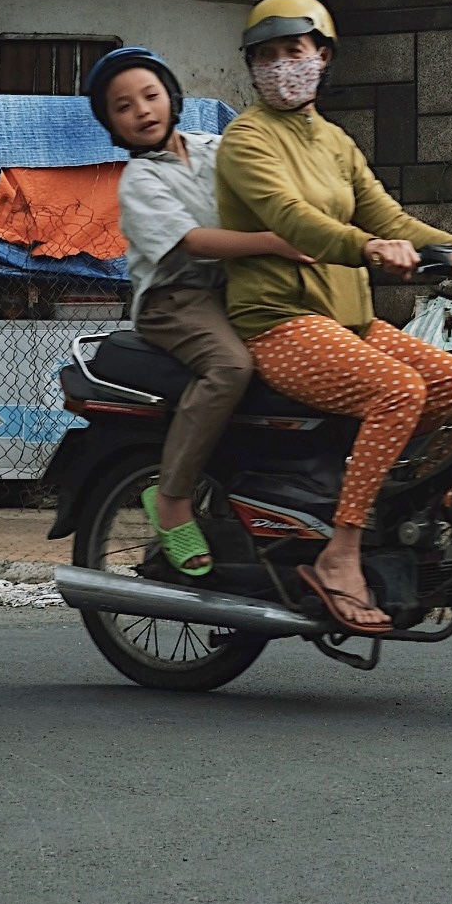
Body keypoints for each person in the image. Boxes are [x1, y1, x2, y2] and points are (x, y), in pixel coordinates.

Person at [215, 0, 452, 634]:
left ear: (323, 57)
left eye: (296, 51)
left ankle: (402, 522)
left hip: (348, 323)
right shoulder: (245, 140)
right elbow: (292, 219)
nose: (284, 65)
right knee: (398, 391)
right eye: (269, 55)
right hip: (281, 322)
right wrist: (366, 248)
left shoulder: (335, 142)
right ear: (253, 66)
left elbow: (388, 217)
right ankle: (341, 554)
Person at [86, 43, 314, 580]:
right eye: (124, 106)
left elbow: (270, 176)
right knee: (230, 367)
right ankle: (171, 499)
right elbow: (192, 241)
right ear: (113, 125)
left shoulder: (216, 148)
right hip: (175, 300)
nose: (142, 110)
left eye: (150, 95)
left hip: (234, 289)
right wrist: (272, 243)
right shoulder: (139, 181)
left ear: (172, 97)